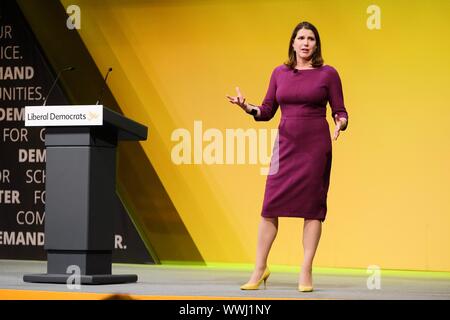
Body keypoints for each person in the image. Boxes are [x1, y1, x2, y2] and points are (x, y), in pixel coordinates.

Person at [226, 21, 348, 292]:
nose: (305, 43)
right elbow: (267, 111)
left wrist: (341, 122)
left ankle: (305, 271)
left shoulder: (328, 74)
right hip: (286, 145)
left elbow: (340, 110)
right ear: (292, 43)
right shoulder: (279, 73)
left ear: (317, 45)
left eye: (311, 39)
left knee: (312, 209)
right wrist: (248, 107)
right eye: (301, 38)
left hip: (315, 147)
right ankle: (260, 268)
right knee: (270, 206)